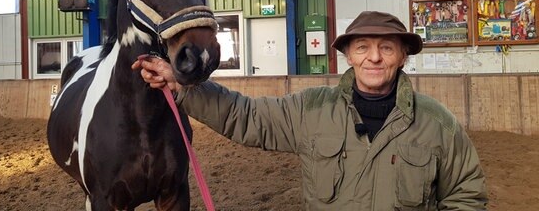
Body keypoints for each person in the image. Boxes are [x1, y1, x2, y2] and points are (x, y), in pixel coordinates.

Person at [132, 11, 488, 210]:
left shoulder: (437, 123)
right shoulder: (311, 109)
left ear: (402, 56)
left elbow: (467, 195)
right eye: (363, 47)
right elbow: (246, 116)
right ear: (348, 55)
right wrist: (181, 85)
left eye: (387, 48)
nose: (374, 57)